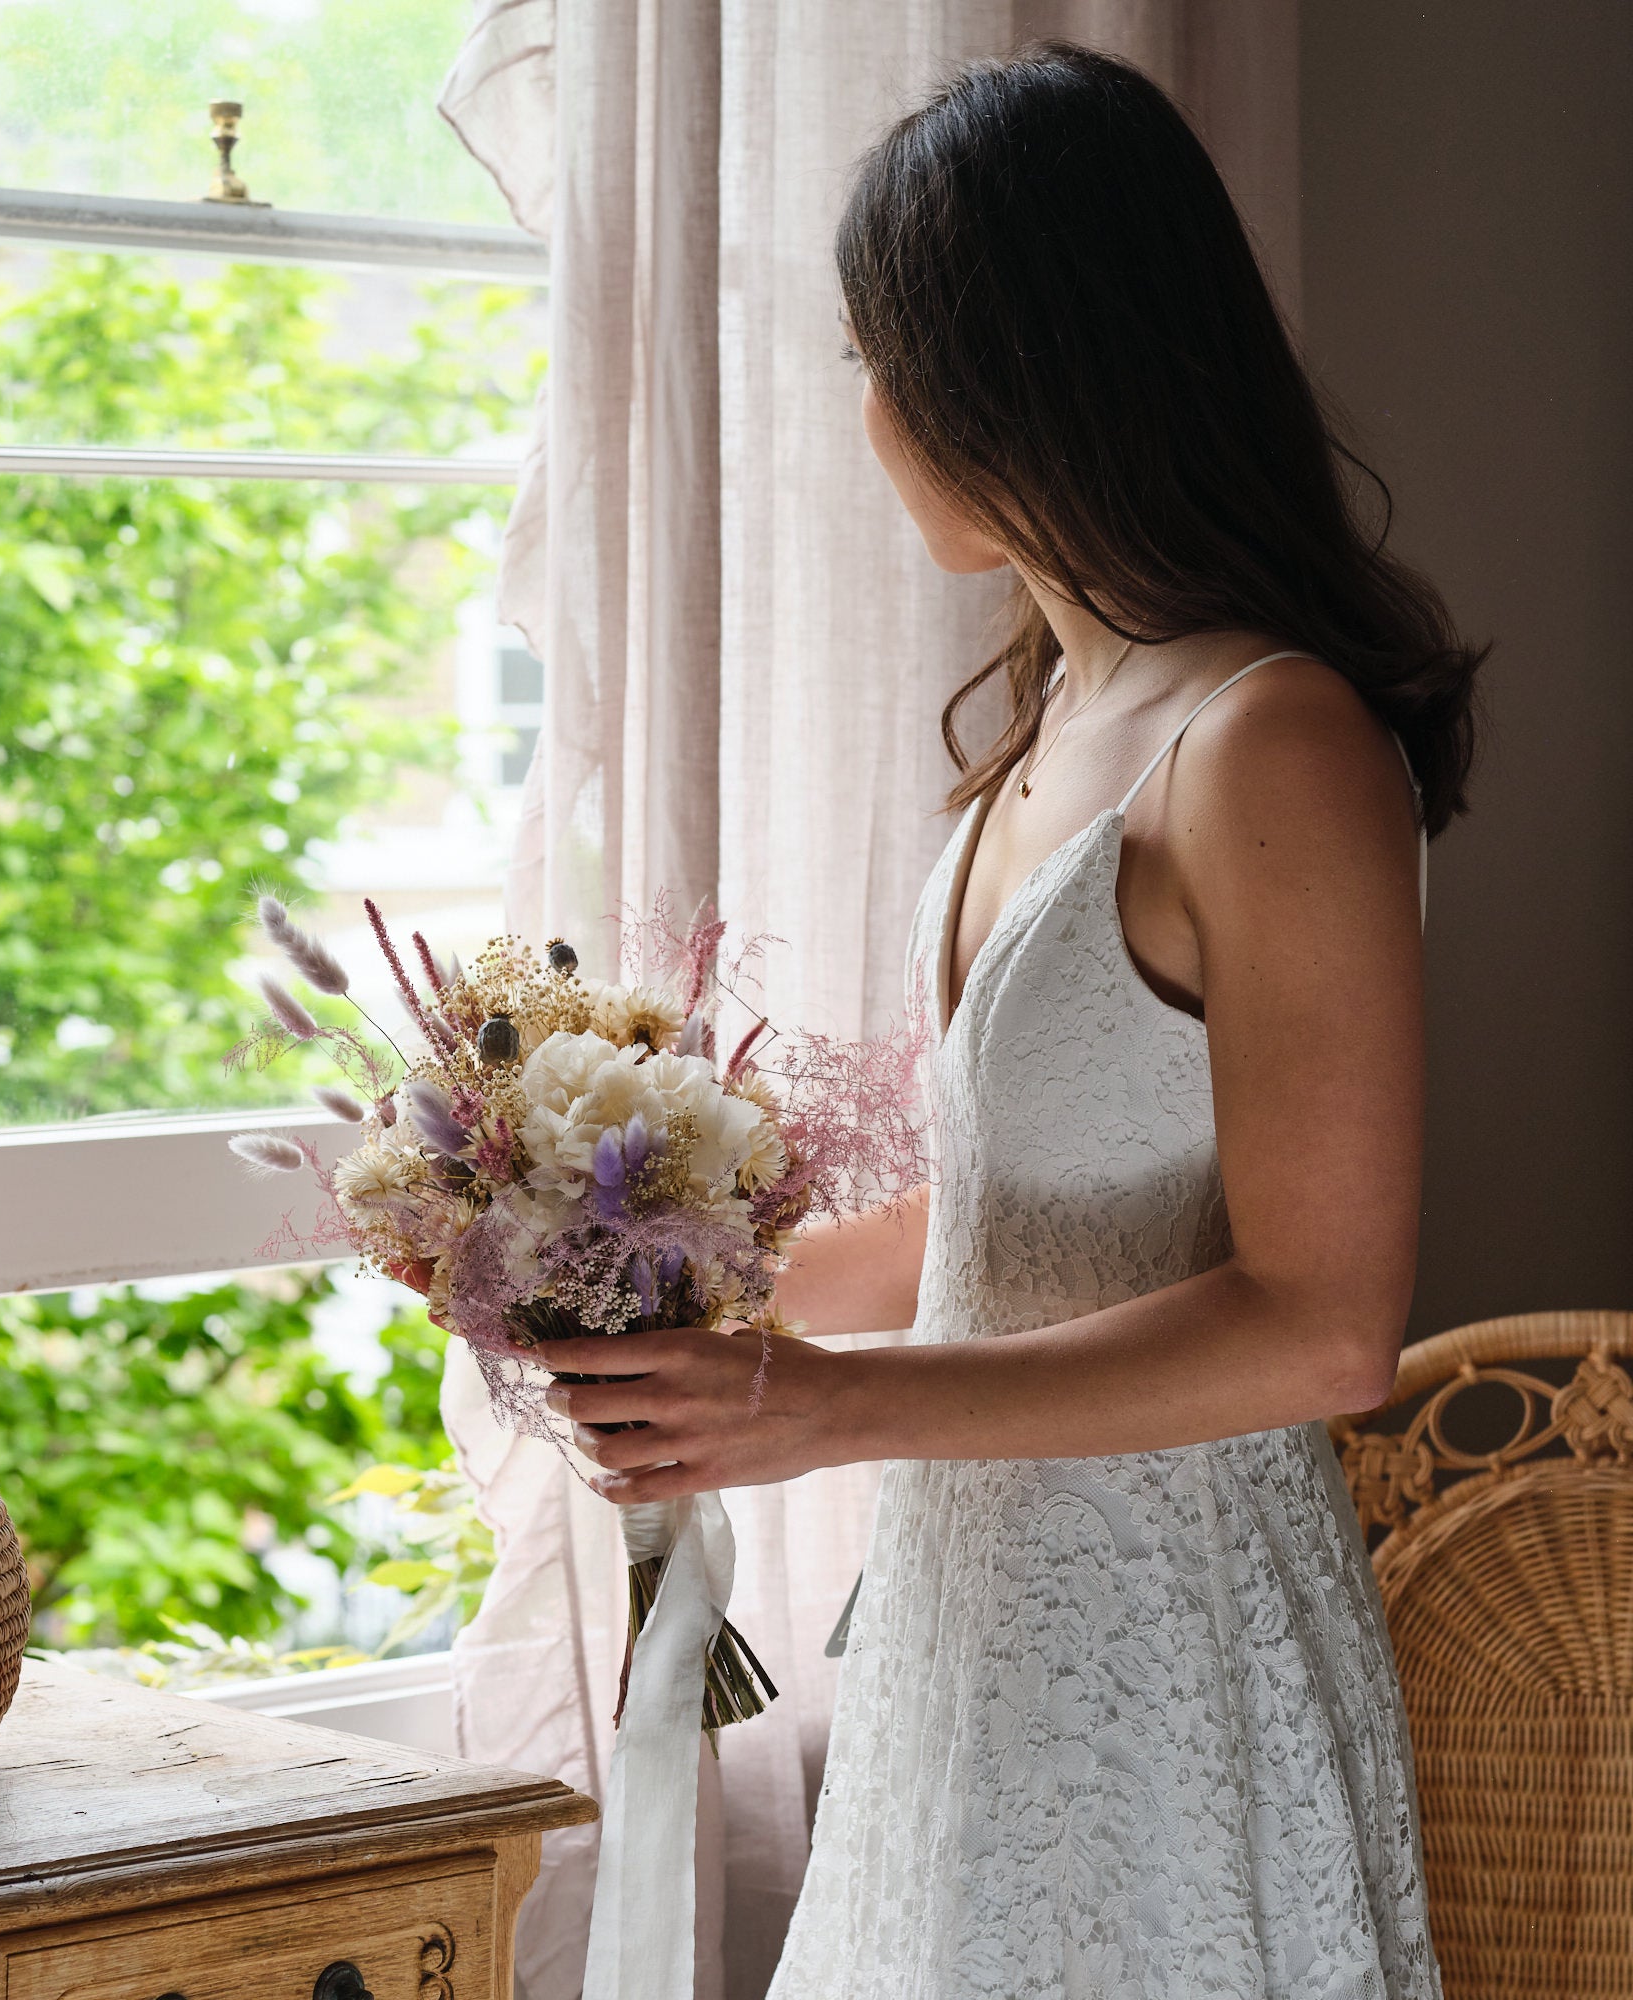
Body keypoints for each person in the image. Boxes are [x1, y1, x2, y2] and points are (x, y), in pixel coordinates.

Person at [543, 39, 1480, 1998]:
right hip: (975, 1633)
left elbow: (1321, 1324)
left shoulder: (1271, 741)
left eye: (878, 351)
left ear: (1007, 376)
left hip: (1179, 1652)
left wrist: (824, 1410)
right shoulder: (1053, 719)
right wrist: (702, 1305)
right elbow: (1003, 1242)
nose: (861, 403)